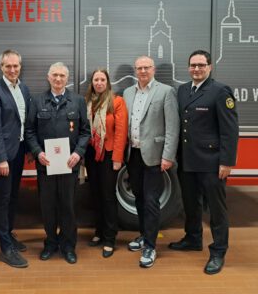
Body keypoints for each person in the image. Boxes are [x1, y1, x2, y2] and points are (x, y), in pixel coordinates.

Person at [169, 50, 238, 275]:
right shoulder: (183, 90)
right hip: (187, 160)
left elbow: (229, 130)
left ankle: (218, 251)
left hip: (211, 161)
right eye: (193, 65)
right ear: (188, 67)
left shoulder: (220, 91)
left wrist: (226, 162)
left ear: (209, 67)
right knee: (191, 203)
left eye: (201, 65)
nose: (196, 69)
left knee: (217, 210)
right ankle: (193, 238)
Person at [25, 62, 90, 264]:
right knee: (48, 207)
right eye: (55, 75)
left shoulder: (78, 101)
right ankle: (51, 243)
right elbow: (29, 131)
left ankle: (68, 246)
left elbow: (85, 132)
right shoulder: (37, 101)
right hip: (45, 165)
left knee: (68, 207)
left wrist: (78, 153)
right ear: (48, 77)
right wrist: (38, 153)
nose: (58, 79)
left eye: (62, 75)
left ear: (67, 78)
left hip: (70, 165)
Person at [123, 55, 179, 268]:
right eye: (139, 68)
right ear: (135, 71)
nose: (143, 71)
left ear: (153, 69)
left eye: (147, 67)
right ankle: (144, 234)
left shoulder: (165, 91)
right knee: (138, 197)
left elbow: (172, 127)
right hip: (133, 154)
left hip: (155, 155)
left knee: (151, 200)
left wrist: (168, 156)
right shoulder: (128, 92)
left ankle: (150, 246)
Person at [0, 50, 31, 268]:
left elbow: (24, 121)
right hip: (4, 155)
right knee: (3, 199)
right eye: (8, 66)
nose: (12, 70)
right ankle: (5, 247)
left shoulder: (24, 88)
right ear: (1, 67)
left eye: (15, 66)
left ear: (20, 67)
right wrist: (0, 159)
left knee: (13, 196)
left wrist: (28, 149)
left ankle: (9, 235)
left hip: (19, 150)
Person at [84, 69, 128, 258]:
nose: (99, 82)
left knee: (108, 196)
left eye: (102, 79)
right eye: (96, 79)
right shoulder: (88, 102)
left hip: (109, 155)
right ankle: (99, 231)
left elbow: (121, 132)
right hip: (92, 155)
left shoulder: (117, 102)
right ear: (92, 82)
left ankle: (110, 238)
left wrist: (117, 158)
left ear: (108, 82)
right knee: (95, 194)